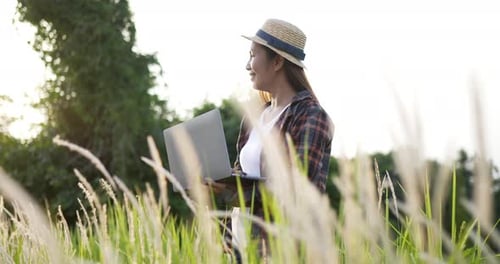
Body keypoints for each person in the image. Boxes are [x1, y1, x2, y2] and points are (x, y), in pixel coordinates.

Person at [212, 18, 334, 261]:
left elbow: (297, 191)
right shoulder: (254, 119)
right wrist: (217, 188)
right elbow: (243, 177)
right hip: (242, 247)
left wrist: (232, 189)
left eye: (253, 55)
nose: (247, 65)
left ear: (277, 61)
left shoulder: (311, 115)